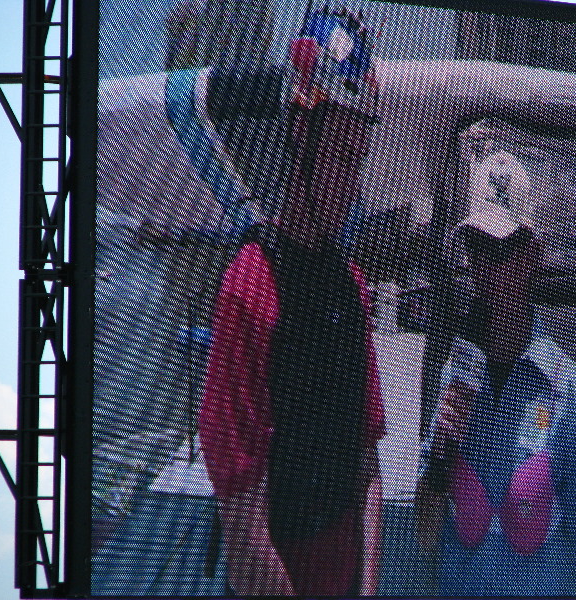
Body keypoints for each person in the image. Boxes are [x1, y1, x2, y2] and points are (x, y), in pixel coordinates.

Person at [198, 9, 385, 596]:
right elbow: (238, 500)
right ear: (298, 141)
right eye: (338, 155)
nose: (350, 180)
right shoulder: (249, 286)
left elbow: (367, 459)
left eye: (358, 156)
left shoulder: (351, 282)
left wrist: (369, 585)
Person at [415, 198, 576, 596]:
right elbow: (425, 531)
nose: (484, 269)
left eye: (497, 251)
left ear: (532, 255)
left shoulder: (563, 387)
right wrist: (441, 459)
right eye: (475, 250)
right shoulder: (456, 371)